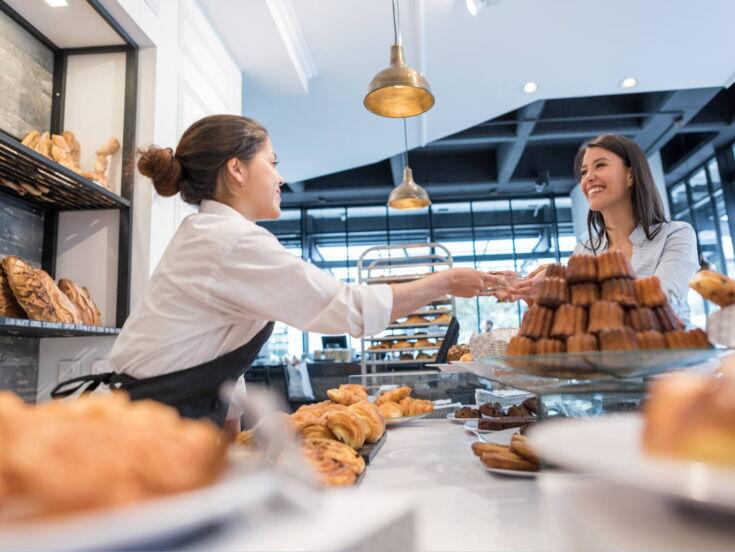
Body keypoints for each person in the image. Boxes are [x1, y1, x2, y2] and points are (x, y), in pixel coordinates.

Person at [51, 114, 503, 426]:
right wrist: (446, 281)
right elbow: (346, 309)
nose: (281, 178)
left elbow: (214, 345)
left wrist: (232, 425)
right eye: (273, 163)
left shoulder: (211, 235)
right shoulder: (229, 242)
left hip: (159, 417)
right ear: (236, 169)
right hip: (151, 429)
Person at [510, 134, 698, 323]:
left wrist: (567, 287)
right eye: (583, 172)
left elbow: (663, 300)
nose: (588, 178)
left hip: (669, 351)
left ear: (630, 175)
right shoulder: (585, 248)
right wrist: (539, 294)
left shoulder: (675, 235)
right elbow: (576, 319)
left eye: (600, 165)